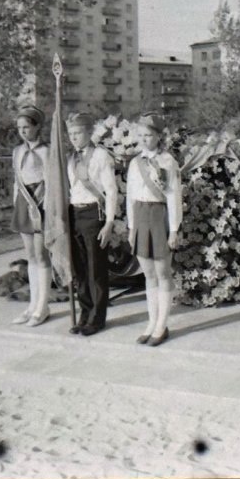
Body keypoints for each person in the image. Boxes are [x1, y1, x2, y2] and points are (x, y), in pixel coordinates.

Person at [126, 113, 182, 346]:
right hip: (140, 217)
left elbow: (174, 197)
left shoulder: (168, 161)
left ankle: (162, 325)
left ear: (159, 136)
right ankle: (151, 322)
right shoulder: (134, 163)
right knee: (148, 274)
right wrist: (131, 227)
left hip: (159, 216)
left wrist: (174, 230)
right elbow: (130, 197)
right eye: (140, 135)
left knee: (162, 273)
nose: (144, 139)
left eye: (148, 135)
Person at [65, 112, 118, 337]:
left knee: (96, 269)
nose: (74, 137)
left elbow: (111, 191)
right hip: (75, 214)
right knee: (80, 269)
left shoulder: (100, 156)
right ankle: (85, 314)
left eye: (78, 133)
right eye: (71, 133)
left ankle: (97, 318)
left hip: (94, 214)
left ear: (89, 132)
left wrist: (109, 223)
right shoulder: (71, 158)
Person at [10, 105, 52, 327]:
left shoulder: (47, 151)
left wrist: (47, 208)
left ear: (37, 127)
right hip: (24, 203)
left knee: (41, 255)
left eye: (26, 127)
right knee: (30, 256)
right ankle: (32, 305)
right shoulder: (17, 151)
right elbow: (16, 181)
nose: (23, 131)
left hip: (41, 204)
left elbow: (51, 182)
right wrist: (16, 205)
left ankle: (43, 307)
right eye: (19, 128)